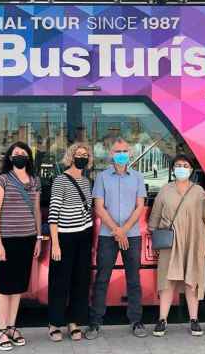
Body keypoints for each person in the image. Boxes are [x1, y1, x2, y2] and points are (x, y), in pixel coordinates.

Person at [85, 138, 148, 339]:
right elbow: (99, 207)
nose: (121, 153)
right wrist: (117, 230)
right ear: (111, 154)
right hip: (107, 235)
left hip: (133, 236)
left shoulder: (138, 177)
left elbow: (140, 206)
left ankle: (136, 321)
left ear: (130, 153)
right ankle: (95, 322)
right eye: (117, 150)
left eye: (125, 150)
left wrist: (125, 230)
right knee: (102, 278)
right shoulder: (102, 177)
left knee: (134, 280)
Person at [148, 154, 205, 337]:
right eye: (178, 165)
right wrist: (152, 236)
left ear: (191, 169)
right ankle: (162, 320)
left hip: (194, 241)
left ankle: (194, 320)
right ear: (172, 169)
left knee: (191, 281)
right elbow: (154, 215)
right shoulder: (165, 190)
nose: (181, 168)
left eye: (185, 165)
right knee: (166, 281)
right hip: (170, 242)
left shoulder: (198, 190)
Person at [0, 142, 42, 351]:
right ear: (10, 158)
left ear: (29, 157)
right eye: (15, 153)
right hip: (7, 240)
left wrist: (38, 237)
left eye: (23, 153)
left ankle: (12, 327)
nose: (19, 156)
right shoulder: (2, 180)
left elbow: (37, 211)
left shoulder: (35, 180)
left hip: (27, 239)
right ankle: (2, 330)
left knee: (18, 287)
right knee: (4, 287)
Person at [47, 143, 94, 342]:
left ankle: (74, 322)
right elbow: (53, 213)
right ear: (71, 156)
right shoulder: (60, 180)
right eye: (78, 154)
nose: (82, 157)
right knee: (60, 282)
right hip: (64, 237)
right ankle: (54, 323)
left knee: (80, 281)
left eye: (85, 155)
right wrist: (55, 243)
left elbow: (88, 208)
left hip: (84, 235)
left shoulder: (86, 181)